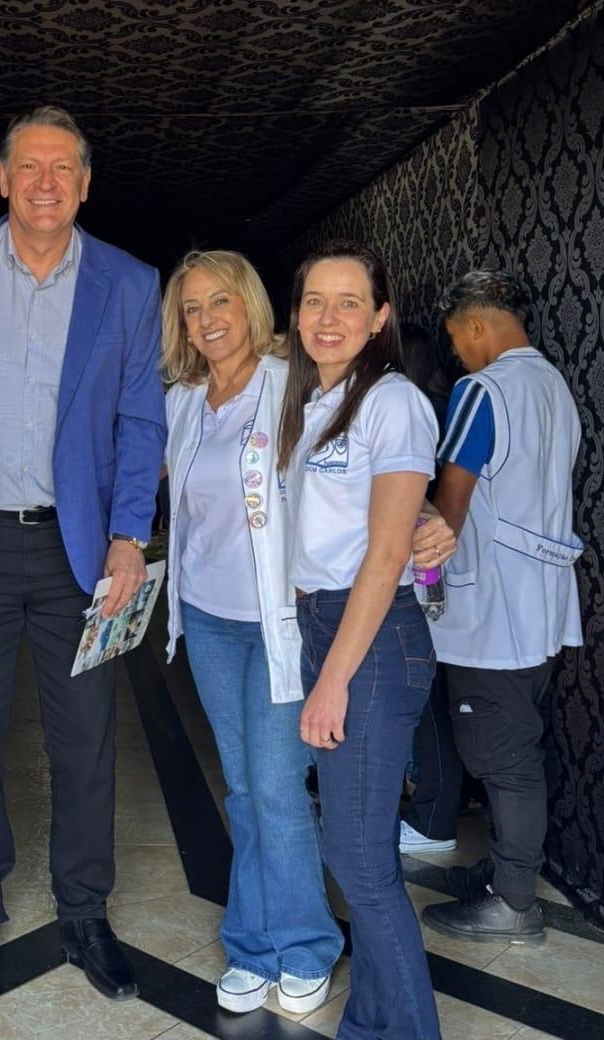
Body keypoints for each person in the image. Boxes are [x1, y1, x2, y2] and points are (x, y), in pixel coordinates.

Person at [0, 105, 165, 1003]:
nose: (46, 183)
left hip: (81, 553)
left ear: (85, 185)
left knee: (84, 741)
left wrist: (130, 535)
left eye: (64, 169)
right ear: (2, 179)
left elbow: (140, 419)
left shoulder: (129, 284)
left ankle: (84, 912)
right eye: (30, 167)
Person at [162, 250, 344, 1015]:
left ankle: (300, 944)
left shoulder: (292, 383)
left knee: (274, 788)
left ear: (249, 307)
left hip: (278, 623)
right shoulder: (182, 400)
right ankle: (255, 944)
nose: (206, 321)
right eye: (191, 309)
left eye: (219, 303)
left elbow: (349, 473)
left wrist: (424, 514)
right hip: (206, 619)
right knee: (242, 788)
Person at [279, 240, 449, 1039]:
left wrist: (332, 679)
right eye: (315, 300)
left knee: (357, 862)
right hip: (332, 625)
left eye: (349, 302)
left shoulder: (392, 402)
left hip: (369, 639)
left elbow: (385, 554)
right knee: (359, 851)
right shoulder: (311, 400)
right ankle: (372, 1024)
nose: (329, 317)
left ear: (380, 317)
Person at [422, 271, 583, 944]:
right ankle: (506, 872)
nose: (457, 352)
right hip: (541, 608)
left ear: (476, 325)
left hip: (491, 613)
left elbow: (444, 512)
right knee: (516, 745)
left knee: (499, 756)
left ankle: (513, 903)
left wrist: (414, 571)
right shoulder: (554, 388)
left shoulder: (480, 390)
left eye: (457, 337)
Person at [398, 321, 463, 856]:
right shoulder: (442, 409)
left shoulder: (413, 418)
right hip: (439, 576)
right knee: (430, 693)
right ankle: (434, 801)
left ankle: (434, 817)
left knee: (424, 698)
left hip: (424, 574)